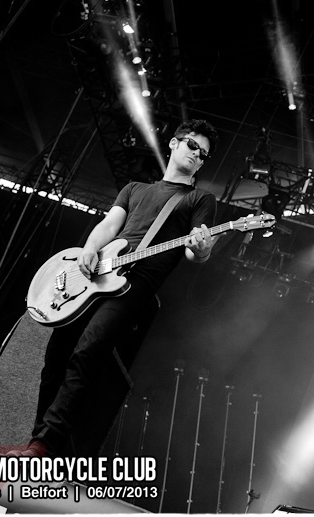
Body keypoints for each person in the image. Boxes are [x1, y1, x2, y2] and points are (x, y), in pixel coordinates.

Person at [12, 119, 218, 458]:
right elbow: (109, 225)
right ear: (174, 143)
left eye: (204, 155)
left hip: (134, 284)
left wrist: (203, 248)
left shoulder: (199, 199)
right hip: (98, 276)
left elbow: (193, 251)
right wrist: (90, 249)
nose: (197, 155)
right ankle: (36, 440)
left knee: (87, 351)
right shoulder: (135, 189)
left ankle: (44, 445)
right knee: (57, 356)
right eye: (193, 145)